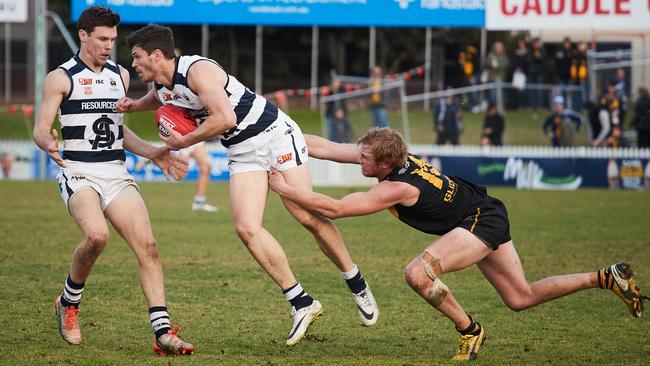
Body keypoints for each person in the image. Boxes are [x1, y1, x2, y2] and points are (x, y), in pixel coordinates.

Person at [267, 128, 648, 361]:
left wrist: (285, 188)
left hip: (478, 220)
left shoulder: (398, 186)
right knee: (520, 297)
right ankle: (604, 277)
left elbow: (336, 207)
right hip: (483, 211)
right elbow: (327, 147)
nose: (357, 159)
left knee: (418, 273)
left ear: (382, 163)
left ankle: (469, 331)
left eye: (363, 158)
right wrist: (280, 134)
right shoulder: (388, 156)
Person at [117, 24, 379, 346]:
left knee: (306, 215)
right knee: (246, 227)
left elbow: (225, 118)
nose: (134, 64)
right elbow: (155, 99)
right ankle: (302, 302)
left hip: (273, 135)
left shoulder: (198, 71)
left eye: (137, 57)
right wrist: (131, 105)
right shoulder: (163, 86)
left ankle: (356, 282)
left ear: (157, 55)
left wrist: (183, 140)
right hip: (242, 152)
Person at [31, 7, 194, 355]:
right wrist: (48, 142)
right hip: (79, 171)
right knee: (96, 236)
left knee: (148, 248)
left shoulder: (120, 75)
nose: (109, 46)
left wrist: (152, 153)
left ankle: (163, 333)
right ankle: (69, 302)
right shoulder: (60, 77)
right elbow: (40, 128)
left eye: (113, 40)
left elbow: (118, 130)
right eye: (102, 39)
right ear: (84, 36)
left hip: (115, 172)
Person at [181, 142, 219, 212]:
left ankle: (199, 202)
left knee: (206, 168)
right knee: (180, 174)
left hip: (195, 139)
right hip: (182, 138)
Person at [528, 38, 546, 110]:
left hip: (540, 73)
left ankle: (539, 106)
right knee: (532, 90)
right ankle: (532, 106)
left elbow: (542, 59)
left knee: (539, 90)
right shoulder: (531, 50)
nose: (537, 44)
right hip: (532, 73)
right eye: (536, 43)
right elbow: (529, 58)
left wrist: (535, 58)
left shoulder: (542, 50)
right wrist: (535, 57)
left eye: (538, 43)